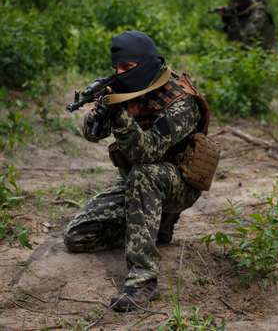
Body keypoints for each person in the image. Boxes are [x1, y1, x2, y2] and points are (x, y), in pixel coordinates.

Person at [63, 30, 210, 312]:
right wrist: (102, 111)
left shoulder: (181, 101)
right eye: (117, 68)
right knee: (78, 236)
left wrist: (119, 114)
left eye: (127, 68)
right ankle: (157, 228)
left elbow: (148, 153)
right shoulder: (127, 89)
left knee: (145, 174)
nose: (120, 73)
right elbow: (92, 134)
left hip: (179, 181)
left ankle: (143, 280)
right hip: (139, 183)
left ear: (146, 64)